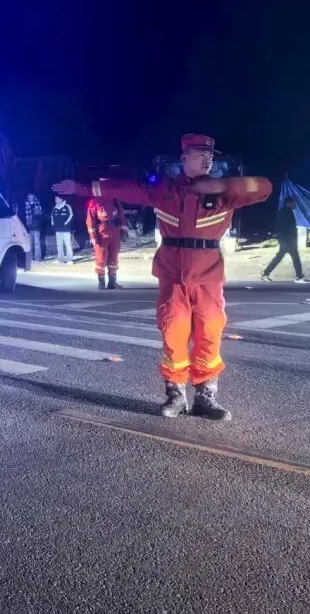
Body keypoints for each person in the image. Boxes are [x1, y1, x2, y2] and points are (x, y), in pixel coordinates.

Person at [53, 134, 272, 421]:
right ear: (184, 159)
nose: (207, 159)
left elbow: (264, 187)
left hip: (208, 276)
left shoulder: (224, 193)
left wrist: (219, 185)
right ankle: (176, 395)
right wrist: (80, 188)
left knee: (210, 331)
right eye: (200, 154)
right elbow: (125, 189)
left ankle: (206, 395)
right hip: (172, 275)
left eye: (210, 155)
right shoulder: (165, 191)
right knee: (173, 332)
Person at [262, 196, 309, 284]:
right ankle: (299, 277)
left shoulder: (287, 211)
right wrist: (288, 240)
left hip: (288, 240)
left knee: (285, 257)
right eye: (293, 203)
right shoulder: (284, 212)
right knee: (290, 258)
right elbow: (283, 227)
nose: (295, 204)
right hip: (287, 240)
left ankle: (266, 273)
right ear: (288, 203)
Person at [86, 197, 125, 289]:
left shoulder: (115, 201)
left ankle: (112, 282)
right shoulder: (94, 203)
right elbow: (90, 222)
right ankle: (101, 283)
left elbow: (121, 217)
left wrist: (124, 231)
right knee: (101, 259)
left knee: (113, 258)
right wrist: (93, 236)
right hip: (101, 235)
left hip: (114, 233)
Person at [51, 195, 74, 264]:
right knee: (59, 244)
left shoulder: (67, 206)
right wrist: (53, 224)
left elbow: (71, 215)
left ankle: (69, 259)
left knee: (67, 244)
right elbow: (52, 216)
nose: (55, 200)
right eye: (55, 198)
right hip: (58, 229)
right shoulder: (55, 208)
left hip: (66, 229)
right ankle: (61, 259)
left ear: (61, 199)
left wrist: (66, 223)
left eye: (57, 198)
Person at [24, 192, 45, 261]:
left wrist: (38, 223)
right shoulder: (25, 204)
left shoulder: (38, 204)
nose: (30, 198)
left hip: (37, 226)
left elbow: (40, 216)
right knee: (29, 243)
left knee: (37, 243)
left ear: (34, 196)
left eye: (31, 196)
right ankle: (30, 257)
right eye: (29, 197)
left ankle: (37, 258)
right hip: (29, 227)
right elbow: (24, 216)